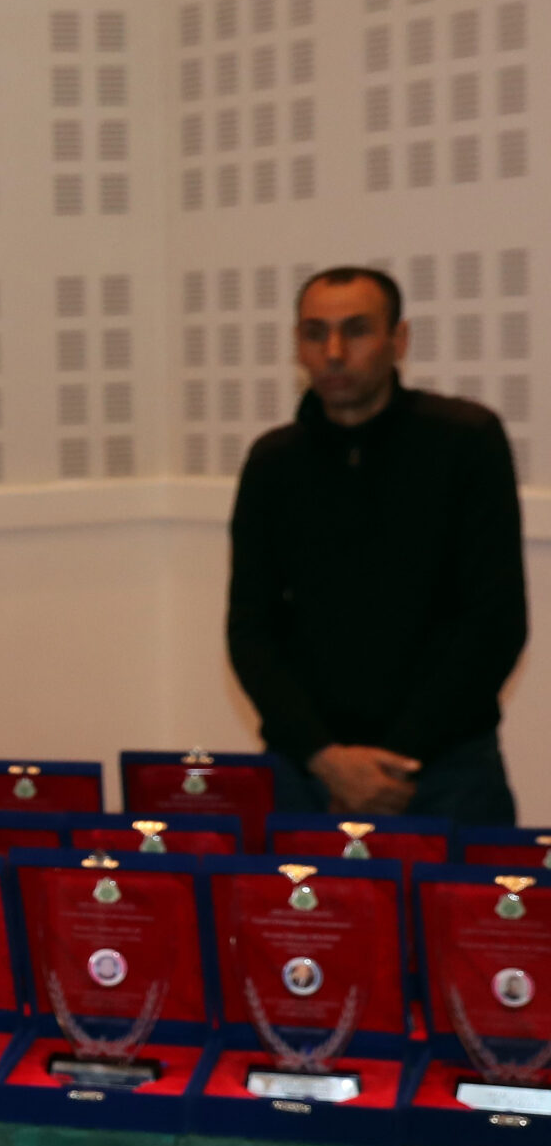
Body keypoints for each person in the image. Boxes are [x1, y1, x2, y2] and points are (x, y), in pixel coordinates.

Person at [227, 265, 527, 825]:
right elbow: (251, 631)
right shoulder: (273, 463)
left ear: (399, 340)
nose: (334, 351)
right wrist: (327, 758)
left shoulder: (465, 442)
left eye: (357, 330)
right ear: (298, 345)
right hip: (308, 773)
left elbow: (494, 623)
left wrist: (391, 764)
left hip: (446, 772)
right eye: (315, 333)